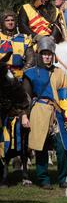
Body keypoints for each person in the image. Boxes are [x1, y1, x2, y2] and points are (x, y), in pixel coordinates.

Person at [22, 37, 67, 189]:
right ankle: (43, 179)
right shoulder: (31, 73)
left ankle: (63, 178)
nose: (47, 56)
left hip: (57, 113)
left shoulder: (60, 72)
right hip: (39, 112)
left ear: (53, 55)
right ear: (39, 54)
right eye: (44, 54)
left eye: (49, 54)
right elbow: (25, 98)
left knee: (63, 147)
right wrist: (24, 115)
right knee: (41, 147)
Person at [0, 10, 35, 186]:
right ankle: (3, 171)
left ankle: (25, 171)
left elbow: (31, 59)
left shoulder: (24, 39)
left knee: (24, 129)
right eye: (7, 20)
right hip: (2, 84)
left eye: (13, 19)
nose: (11, 22)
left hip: (19, 83)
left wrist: (20, 72)